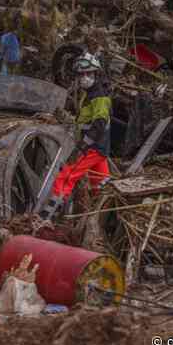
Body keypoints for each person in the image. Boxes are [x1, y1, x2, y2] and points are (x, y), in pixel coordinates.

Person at [40, 52, 111, 221]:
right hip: (99, 148)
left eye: (89, 74)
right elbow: (85, 121)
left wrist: (82, 146)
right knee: (101, 184)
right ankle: (102, 217)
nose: (85, 78)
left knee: (66, 176)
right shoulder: (90, 94)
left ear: (96, 74)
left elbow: (99, 124)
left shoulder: (99, 96)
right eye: (82, 75)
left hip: (93, 146)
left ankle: (46, 219)